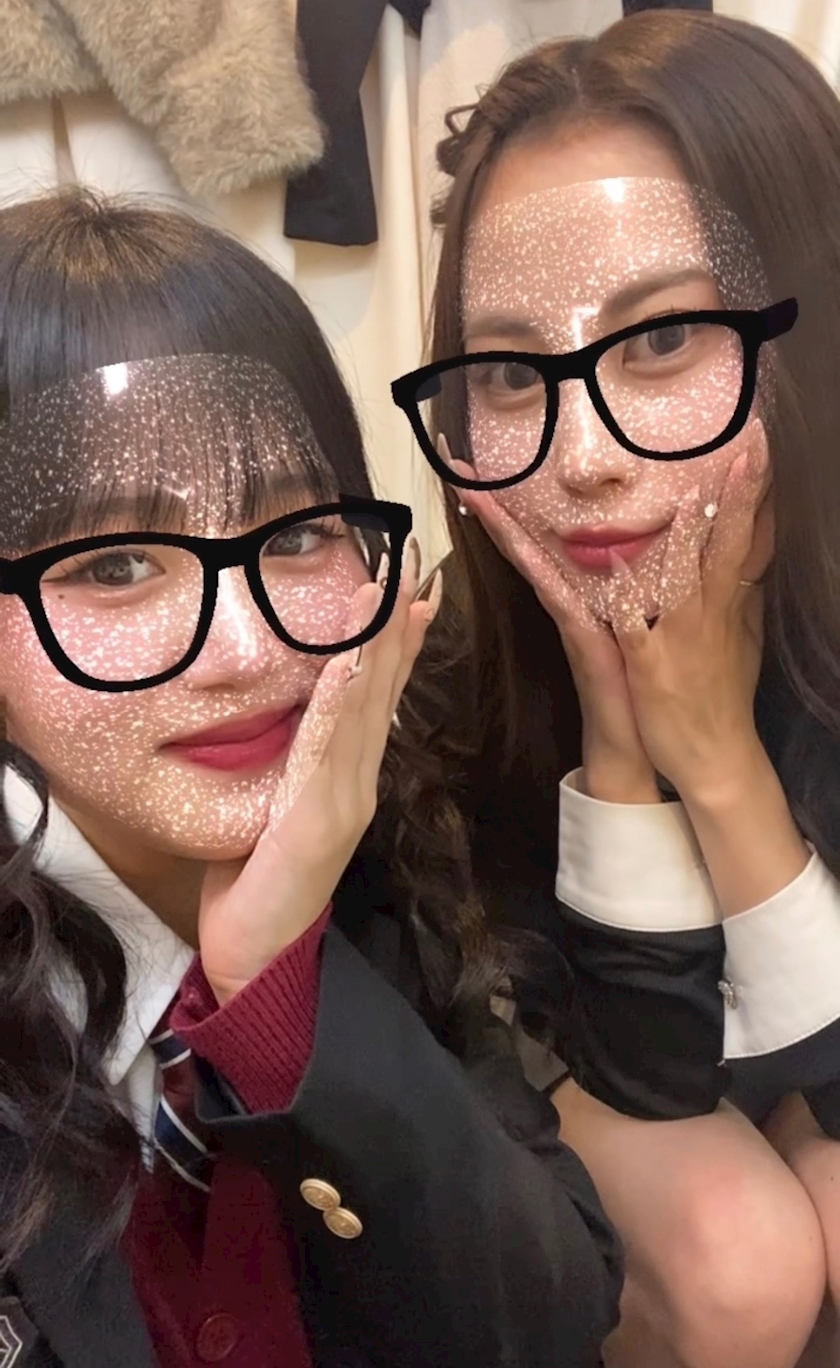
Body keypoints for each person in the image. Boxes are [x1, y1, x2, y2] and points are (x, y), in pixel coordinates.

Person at [0, 188, 647, 1368]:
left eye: (297, 536)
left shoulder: (371, 844)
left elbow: (550, 1315)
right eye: (117, 564)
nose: (248, 650)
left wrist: (281, 980)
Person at [390, 9, 840, 1368]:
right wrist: (624, 750)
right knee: (737, 1266)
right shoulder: (469, 658)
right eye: (509, 372)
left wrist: (725, 764)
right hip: (610, 1080)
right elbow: (644, 1076)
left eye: (661, 341)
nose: (580, 458)